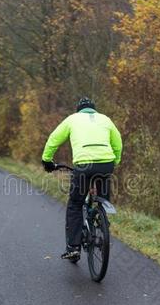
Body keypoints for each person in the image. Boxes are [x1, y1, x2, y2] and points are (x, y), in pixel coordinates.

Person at [41, 97, 123, 260]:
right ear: (94, 109)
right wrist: (116, 160)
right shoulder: (105, 119)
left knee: (75, 203)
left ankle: (73, 247)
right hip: (106, 164)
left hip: (83, 166)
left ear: (78, 109)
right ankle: (102, 219)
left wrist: (47, 160)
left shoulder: (73, 119)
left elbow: (53, 139)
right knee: (102, 196)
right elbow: (118, 142)